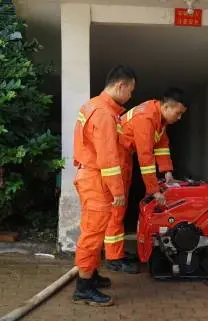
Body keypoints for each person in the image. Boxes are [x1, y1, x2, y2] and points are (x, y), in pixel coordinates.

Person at [102, 87, 188, 274]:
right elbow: (146, 157)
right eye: (178, 113)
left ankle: (116, 253)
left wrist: (167, 173)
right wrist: (154, 190)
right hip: (118, 159)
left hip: (123, 157)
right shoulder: (146, 118)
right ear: (166, 106)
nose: (179, 117)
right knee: (116, 209)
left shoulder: (159, 120)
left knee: (120, 210)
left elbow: (162, 146)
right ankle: (113, 258)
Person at [71, 65, 136, 306]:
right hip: (97, 179)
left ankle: (92, 274)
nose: (130, 96)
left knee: (94, 231)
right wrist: (118, 191)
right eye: (130, 91)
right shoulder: (104, 114)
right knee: (92, 233)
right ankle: (84, 287)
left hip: (90, 176)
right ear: (121, 85)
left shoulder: (93, 106)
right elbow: (108, 158)